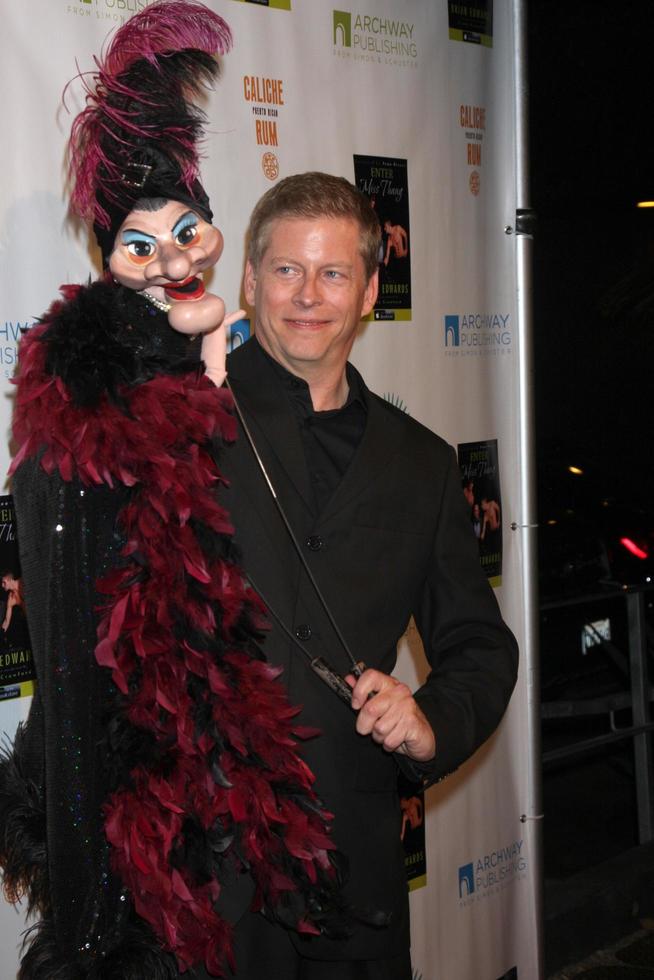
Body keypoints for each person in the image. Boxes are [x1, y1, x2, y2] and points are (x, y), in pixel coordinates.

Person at [0, 7, 350, 978]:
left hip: (261, 783)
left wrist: (212, 367)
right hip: (147, 812)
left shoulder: (237, 372)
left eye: (187, 232)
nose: (172, 261)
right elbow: (87, 650)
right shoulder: (85, 403)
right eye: (140, 247)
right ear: (108, 265)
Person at [218, 172, 519, 978]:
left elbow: (480, 646)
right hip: (201, 879)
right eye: (285, 270)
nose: (307, 295)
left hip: (353, 880)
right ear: (249, 283)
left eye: (333, 273)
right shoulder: (177, 423)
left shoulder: (421, 464)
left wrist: (429, 723)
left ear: (370, 291)